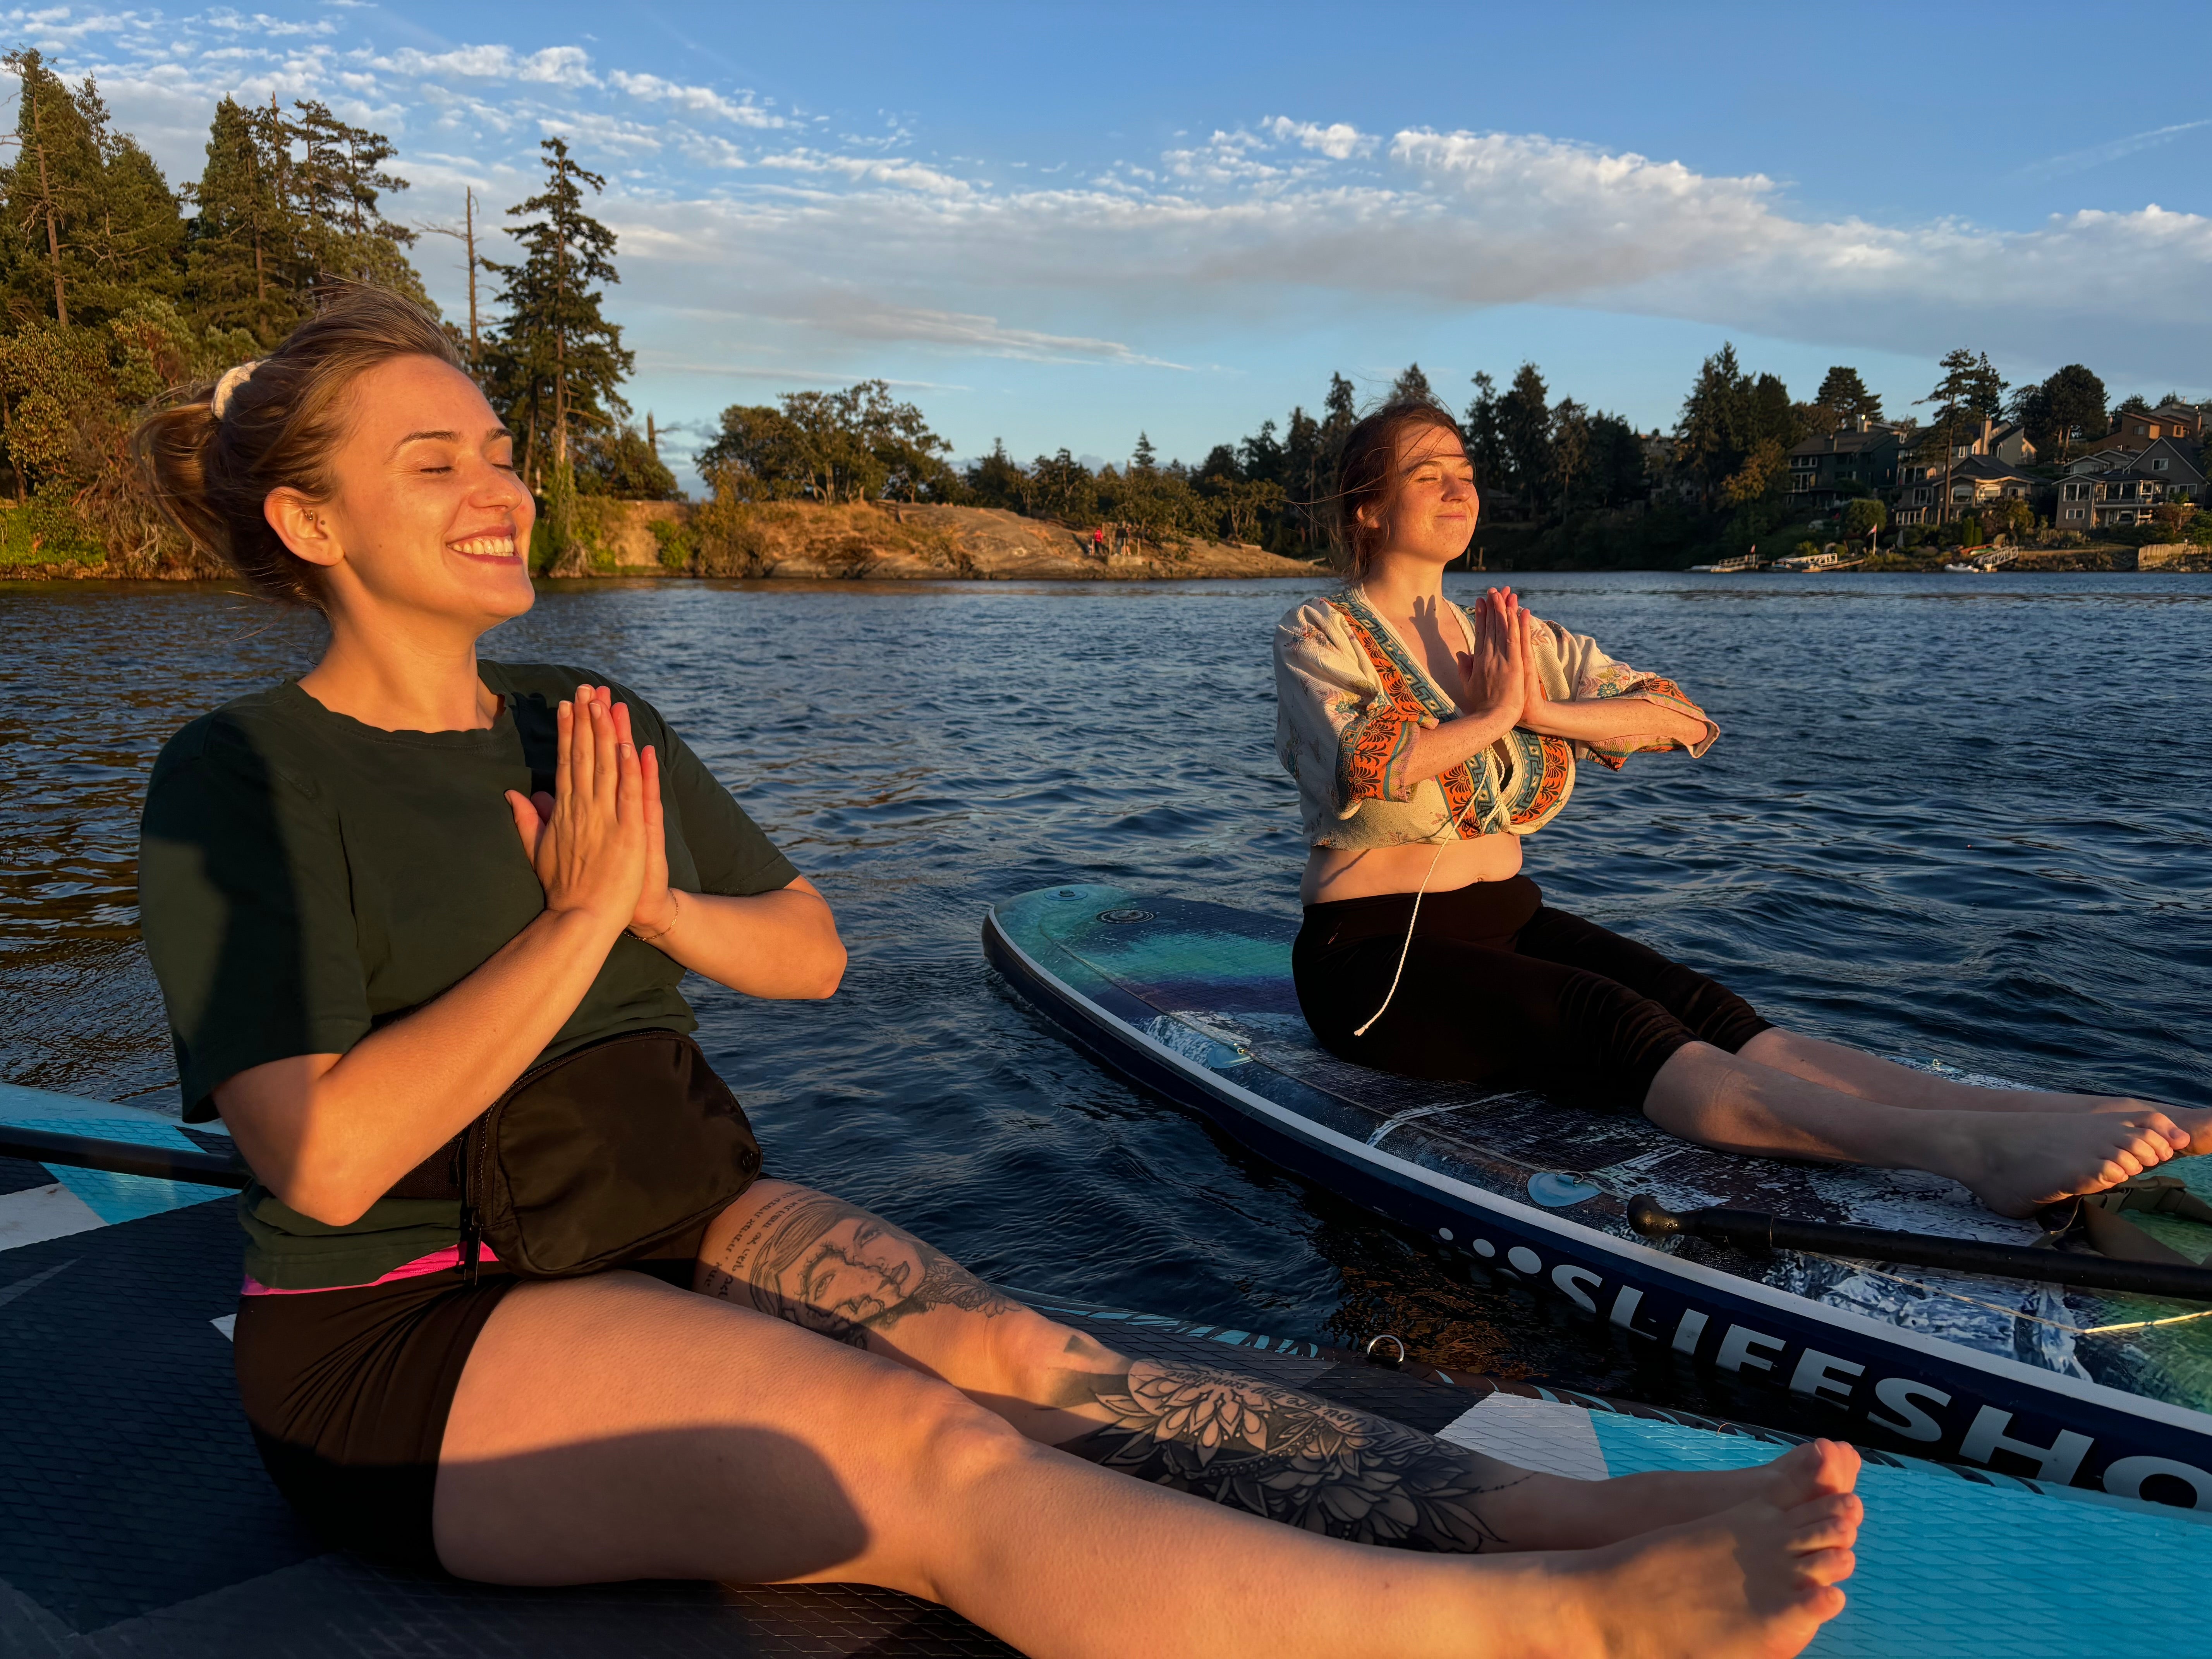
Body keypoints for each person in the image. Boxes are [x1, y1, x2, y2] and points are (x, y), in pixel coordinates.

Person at [131, 289, 1861, 1659]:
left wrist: (646, 908)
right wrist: (580, 920)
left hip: (668, 1210)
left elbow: (806, 956)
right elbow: (324, 1158)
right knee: (925, 1463)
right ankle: (1559, 1632)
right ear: (308, 518)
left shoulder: (581, 716)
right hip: (421, 1319)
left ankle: (1608, 1523)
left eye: (500, 449)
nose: (500, 490)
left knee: (1031, 1357)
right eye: (433, 464)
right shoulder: (248, 775)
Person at [1276, 400, 2207, 1222]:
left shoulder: (1512, 635)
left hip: (1510, 921)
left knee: (1716, 1012)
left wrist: (1543, 709)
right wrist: (1493, 715)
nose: (1458, 492)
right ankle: (1974, 1156)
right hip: (1375, 962)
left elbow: (1682, 719)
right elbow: (1377, 765)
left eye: (1468, 475)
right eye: (1427, 476)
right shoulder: (1324, 633)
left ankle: (2068, 1113)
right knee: (1614, 1023)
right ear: (1368, 507)